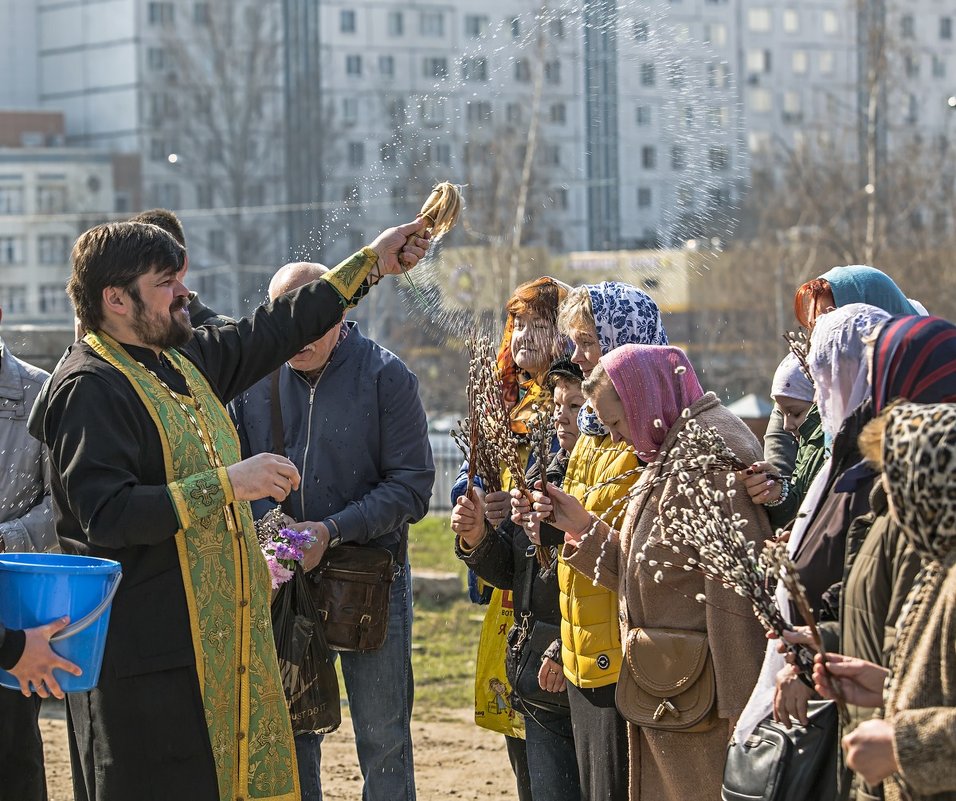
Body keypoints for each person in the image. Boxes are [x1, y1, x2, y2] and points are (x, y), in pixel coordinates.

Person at [28, 218, 428, 801]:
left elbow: (272, 329)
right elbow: (105, 513)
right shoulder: (89, 385)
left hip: (214, 653)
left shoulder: (180, 360)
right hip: (144, 668)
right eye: (166, 283)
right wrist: (227, 484)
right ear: (115, 299)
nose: (185, 294)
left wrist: (371, 263)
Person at [523, 344, 773, 801]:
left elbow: (735, 600)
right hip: (678, 697)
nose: (617, 438)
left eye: (617, 422)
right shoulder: (672, 449)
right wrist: (581, 526)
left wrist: (747, 722)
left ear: (645, 398)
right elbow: (651, 571)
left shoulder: (706, 459)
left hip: (706, 710)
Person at [231, 261, 435, 801]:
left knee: (383, 738)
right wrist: (273, 540)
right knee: (292, 734)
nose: (297, 334)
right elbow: (230, 476)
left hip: (370, 582)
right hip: (281, 583)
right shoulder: (250, 382)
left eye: (311, 318)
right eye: (285, 318)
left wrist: (331, 531)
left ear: (342, 310)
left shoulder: (386, 375)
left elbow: (413, 487)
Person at [449, 276, 570, 801]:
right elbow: (472, 468)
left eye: (536, 324)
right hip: (507, 585)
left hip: (557, 590)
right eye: (515, 323)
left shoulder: (576, 401)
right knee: (520, 735)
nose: (521, 336)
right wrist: (479, 498)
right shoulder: (502, 394)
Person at [549, 282, 667, 801]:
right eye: (573, 343)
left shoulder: (650, 437)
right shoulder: (595, 434)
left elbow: (653, 561)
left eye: (589, 342)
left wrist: (579, 525)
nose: (578, 357)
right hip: (583, 650)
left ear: (626, 339)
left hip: (630, 660)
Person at [814, 402, 956, 801]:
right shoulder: (941, 565)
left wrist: (901, 745)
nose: (892, 508)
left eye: (896, 490)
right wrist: (888, 688)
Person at [764, 264, 922, 482]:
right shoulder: (802, 376)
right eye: (817, 326)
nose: (824, 338)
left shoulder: (934, 388)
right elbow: (780, 458)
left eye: (834, 322)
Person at [0, 315, 61, 801]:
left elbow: (63, 505)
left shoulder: (42, 392)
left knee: (14, 756)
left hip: (15, 607)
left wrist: (7, 539)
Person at [742, 353, 825, 530]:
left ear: (821, 402)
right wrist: (779, 495)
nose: (786, 426)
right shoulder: (808, 444)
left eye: (795, 413)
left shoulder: (825, 447)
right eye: (781, 414)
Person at [129, 208, 235, 327]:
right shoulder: (127, 331)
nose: (152, 272)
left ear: (183, 263)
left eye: (162, 264)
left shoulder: (223, 335)